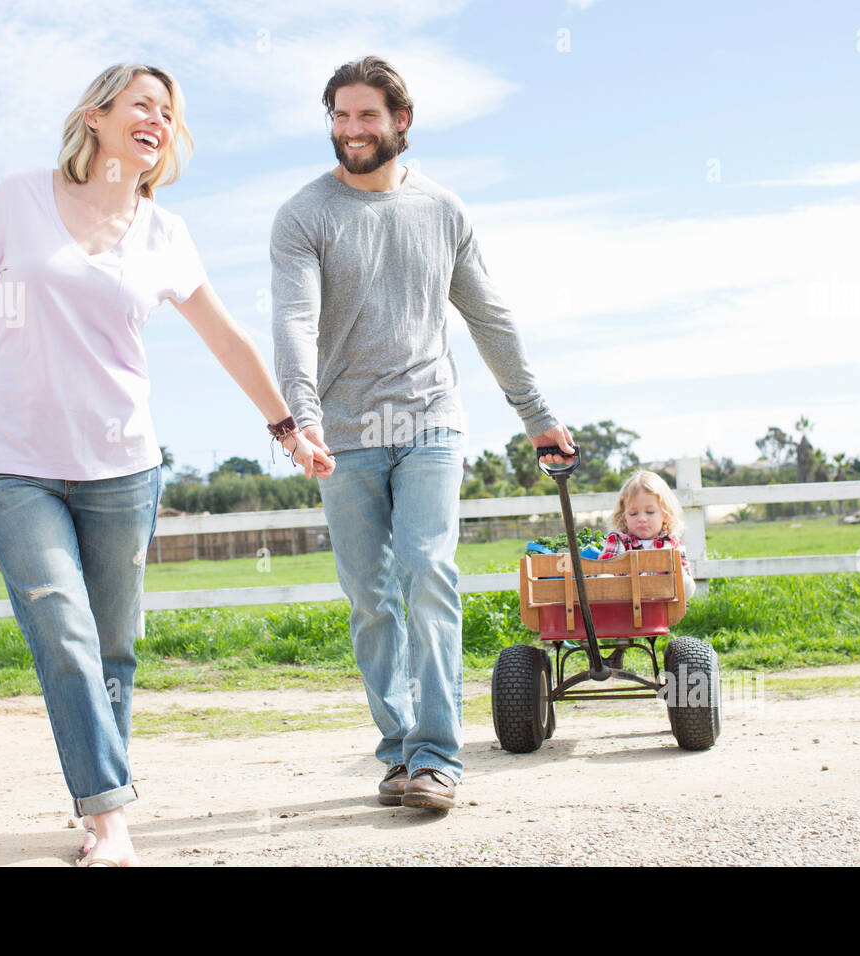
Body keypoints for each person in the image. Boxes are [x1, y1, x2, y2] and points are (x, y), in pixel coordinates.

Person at [0, 63, 333, 866]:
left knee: (112, 649)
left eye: (169, 112)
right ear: (97, 115)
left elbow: (226, 339)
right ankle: (110, 819)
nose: (158, 119)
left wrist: (286, 427)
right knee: (65, 634)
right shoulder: (21, 198)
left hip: (123, 468)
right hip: (13, 464)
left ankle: (98, 802)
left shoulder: (164, 233)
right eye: (143, 103)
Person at [271, 56, 574, 811]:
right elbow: (295, 320)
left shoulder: (444, 210)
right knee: (371, 598)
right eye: (339, 116)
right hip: (342, 433)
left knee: (427, 571)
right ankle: (398, 748)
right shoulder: (304, 214)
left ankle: (437, 756)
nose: (350, 131)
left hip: (431, 420)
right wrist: (303, 416)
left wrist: (536, 416)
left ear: (400, 121)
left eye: (365, 116)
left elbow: (489, 316)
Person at [598, 470, 697, 601]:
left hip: (660, 610)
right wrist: (608, 580)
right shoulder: (619, 541)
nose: (642, 519)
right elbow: (605, 571)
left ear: (665, 514)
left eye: (650, 512)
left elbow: (688, 591)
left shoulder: (672, 544)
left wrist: (676, 570)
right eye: (633, 513)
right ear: (624, 517)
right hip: (626, 609)